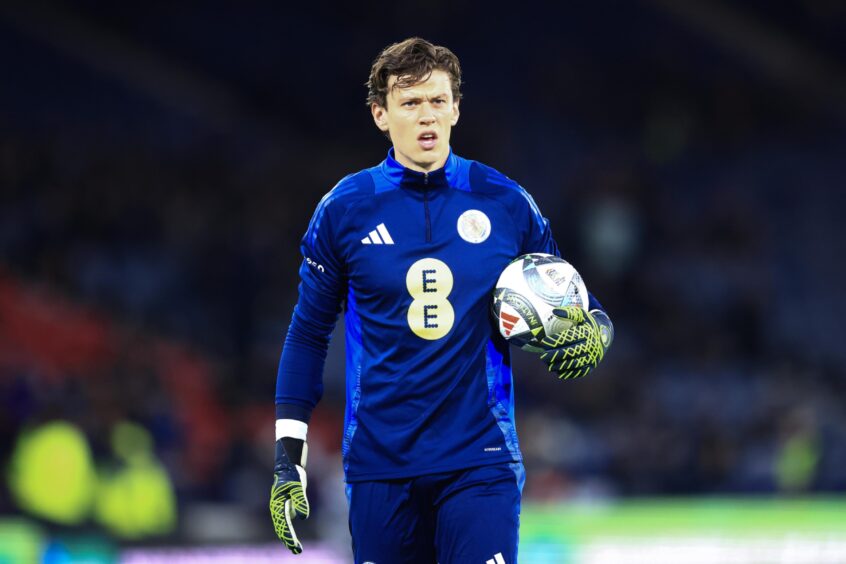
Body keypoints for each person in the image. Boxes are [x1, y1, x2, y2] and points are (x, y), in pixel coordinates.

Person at [269, 37, 614, 563]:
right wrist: (287, 458)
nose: (426, 116)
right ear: (380, 114)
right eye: (410, 103)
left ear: (456, 107)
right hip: (381, 466)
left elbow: (569, 294)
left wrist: (597, 331)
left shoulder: (506, 201)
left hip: (480, 460)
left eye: (437, 100)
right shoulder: (345, 210)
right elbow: (308, 334)